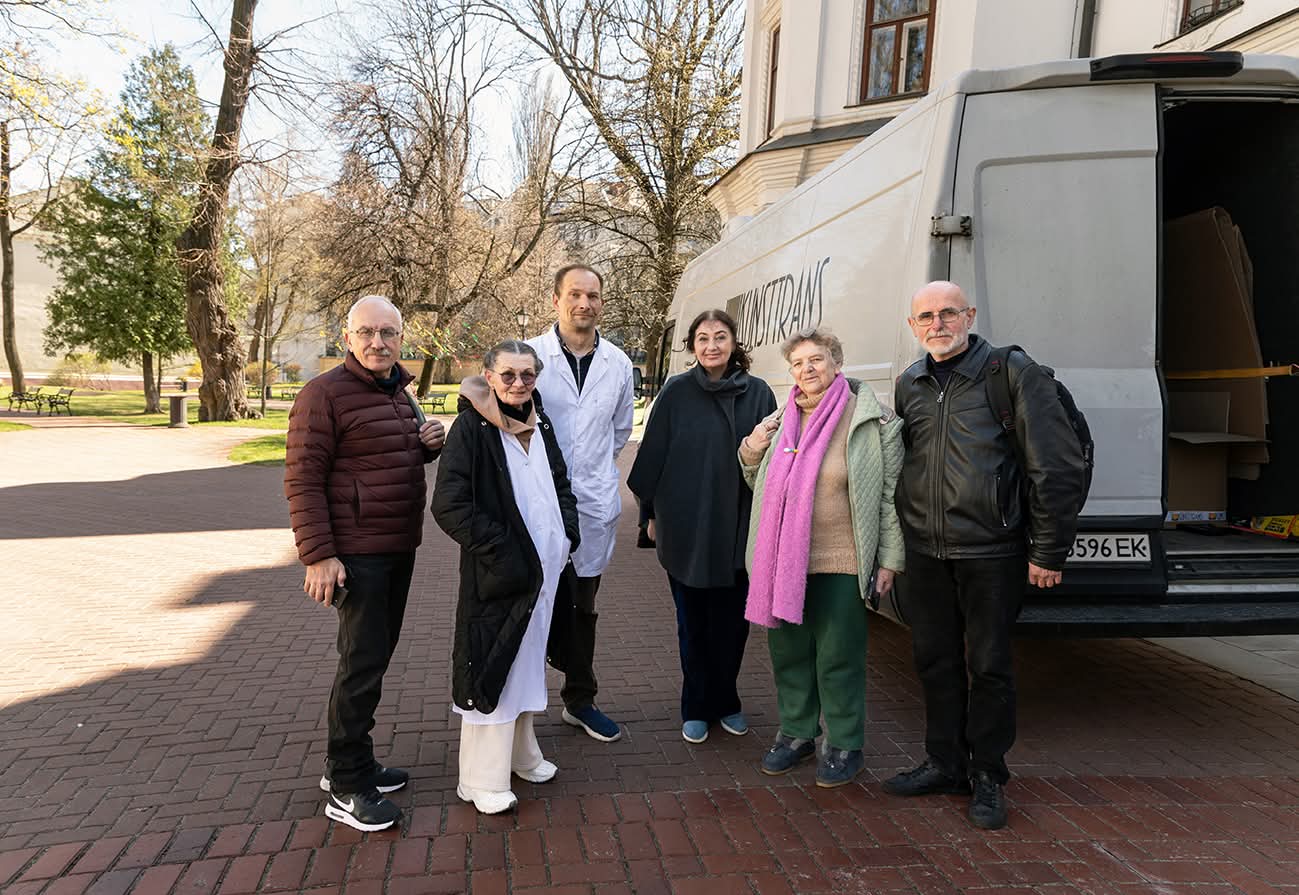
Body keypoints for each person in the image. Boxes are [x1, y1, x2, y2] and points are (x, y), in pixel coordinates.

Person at [885, 280, 1086, 830]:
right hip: (926, 551)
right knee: (934, 661)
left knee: (990, 666)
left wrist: (1048, 550)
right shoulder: (910, 383)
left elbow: (1056, 466)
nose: (938, 324)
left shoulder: (1011, 373)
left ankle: (988, 774)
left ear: (970, 315)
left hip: (992, 551)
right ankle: (944, 763)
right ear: (912, 326)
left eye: (948, 313)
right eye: (926, 316)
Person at [284, 294, 446, 832]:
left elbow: (380, 457)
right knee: (361, 664)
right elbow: (303, 480)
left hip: (396, 546)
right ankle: (347, 785)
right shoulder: (322, 394)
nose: (378, 342)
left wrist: (426, 445)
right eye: (367, 332)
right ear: (348, 337)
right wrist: (319, 555)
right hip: (357, 554)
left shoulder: (398, 391)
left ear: (401, 338)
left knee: (371, 659)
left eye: (388, 333)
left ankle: (351, 761)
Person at [739, 328, 905, 787]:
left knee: (839, 655)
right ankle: (797, 733)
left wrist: (890, 559)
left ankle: (846, 742)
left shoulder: (872, 420)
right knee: (789, 651)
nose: (806, 369)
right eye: (797, 363)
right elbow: (759, 483)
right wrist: (751, 449)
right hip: (781, 560)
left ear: (837, 362)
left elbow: (889, 496)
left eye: (816, 359)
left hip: (842, 559)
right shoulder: (781, 420)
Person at [431, 340, 581, 815]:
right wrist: (506, 554)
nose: (518, 384)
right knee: (495, 663)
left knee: (527, 662)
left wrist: (567, 533)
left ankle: (520, 754)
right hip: (500, 575)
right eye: (508, 375)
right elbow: (449, 505)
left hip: (545, 574)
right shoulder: (471, 428)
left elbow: (560, 483)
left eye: (527, 375)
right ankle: (480, 779)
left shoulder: (541, 421)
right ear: (489, 376)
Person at [627, 309, 776, 744]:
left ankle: (726, 700)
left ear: (734, 342)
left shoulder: (759, 393)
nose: (712, 345)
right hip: (685, 524)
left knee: (732, 626)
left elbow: (773, 464)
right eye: (704, 338)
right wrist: (649, 517)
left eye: (720, 336)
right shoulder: (675, 392)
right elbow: (652, 457)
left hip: (738, 525)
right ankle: (694, 705)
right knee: (692, 624)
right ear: (692, 345)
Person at [526, 264, 635, 743]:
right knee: (530, 603)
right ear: (556, 300)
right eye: (574, 294)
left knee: (583, 606)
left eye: (592, 296)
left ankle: (580, 700)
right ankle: (521, 707)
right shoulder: (528, 354)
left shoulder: (619, 364)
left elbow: (619, 431)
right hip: (536, 500)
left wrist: (591, 472)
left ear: (601, 304)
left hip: (590, 502)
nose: (583, 304)